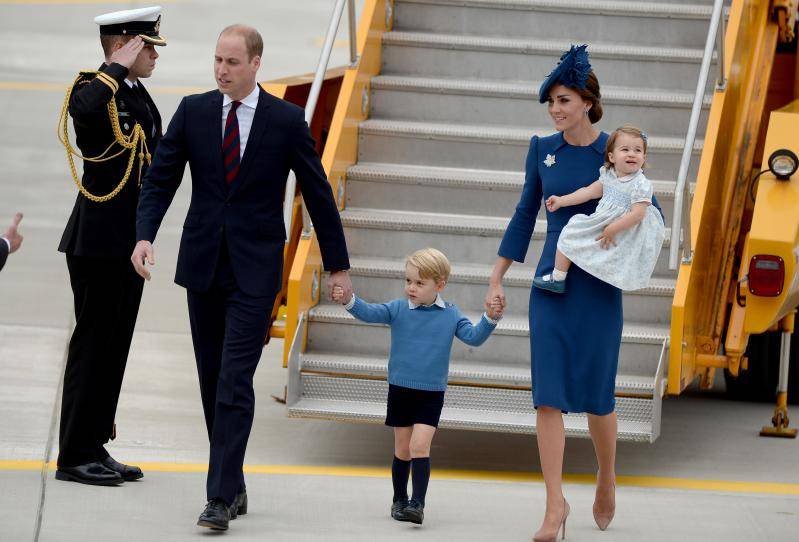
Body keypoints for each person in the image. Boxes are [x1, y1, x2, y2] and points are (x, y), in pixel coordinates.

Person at [131, 24, 353, 531]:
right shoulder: (194, 111)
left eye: (232, 62)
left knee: (235, 379)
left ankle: (218, 498)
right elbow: (160, 180)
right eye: (217, 61)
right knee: (212, 381)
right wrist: (145, 236)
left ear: (256, 64)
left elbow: (317, 194)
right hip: (204, 265)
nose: (221, 70)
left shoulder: (285, 121)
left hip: (255, 272)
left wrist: (337, 265)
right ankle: (233, 479)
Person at [483, 45, 662, 541]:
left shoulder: (618, 149)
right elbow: (525, 214)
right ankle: (554, 504)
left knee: (599, 397)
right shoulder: (542, 148)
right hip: (551, 286)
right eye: (551, 104)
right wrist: (497, 276)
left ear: (587, 101)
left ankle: (606, 477)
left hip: (599, 288)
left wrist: (623, 239)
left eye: (564, 101)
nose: (556, 111)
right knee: (549, 398)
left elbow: (650, 213)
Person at [55, 6, 165, 487]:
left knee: (114, 345)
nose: (155, 56)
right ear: (127, 44)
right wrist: (115, 65)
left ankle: (95, 443)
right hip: (97, 243)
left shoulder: (136, 95)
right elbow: (83, 112)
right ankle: (73, 454)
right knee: (92, 344)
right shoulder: (94, 88)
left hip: (127, 245)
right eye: (148, 47)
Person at [332, 248, 504, 526]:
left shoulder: (451, 315)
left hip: (431, 394)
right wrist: (348, 299)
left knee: (419, 446)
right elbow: (369, 312)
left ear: (440, 284)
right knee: (402, 449)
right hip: (400, 390)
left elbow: (473, 338)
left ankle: (417, 504)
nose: (411, 288)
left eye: (419, 283)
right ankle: (399, 499)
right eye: (408, 281)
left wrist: (490, 318)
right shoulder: (398, 309)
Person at [533, 125, 665, 294]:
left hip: (624, 229)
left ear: (643, 157)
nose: (632, 154)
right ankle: (558, 278)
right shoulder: (608, 176)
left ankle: (606, 274)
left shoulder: (640, 184)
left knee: (610, 250)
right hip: (603, 221)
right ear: (612, 156)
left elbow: (638, 214)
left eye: (638, 150)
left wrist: (613, 228)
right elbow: (588, 192)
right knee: (571, 229)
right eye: (625, 149)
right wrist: (562, 200)